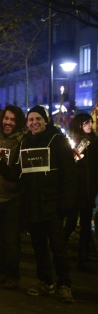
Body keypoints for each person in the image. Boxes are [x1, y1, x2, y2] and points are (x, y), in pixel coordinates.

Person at [0, 105, 76, 303]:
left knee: (58, 247)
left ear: (46, 121)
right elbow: (16, 173)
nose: (34, 122)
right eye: (31, 120)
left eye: (38, 119)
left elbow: (69, 175)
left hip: (54, 205)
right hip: (33, 205)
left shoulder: (58, 141)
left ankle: (64, 284)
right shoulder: (25, 142)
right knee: (39, 247)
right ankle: (45, 282)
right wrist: (0, 162)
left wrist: (66, 203)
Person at [0, 106, 25, 289]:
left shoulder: (22, 140)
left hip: (11, 198)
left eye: (12, 119)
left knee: (11, 241)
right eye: (5, 118)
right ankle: (0, 272)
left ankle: (13, 275)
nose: (8, 122)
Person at [63, 113, 98, 273]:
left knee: (85, 227)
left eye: (91, 122)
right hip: (75, 191)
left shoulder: (95, 142)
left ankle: (83, 259)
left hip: (89, 190)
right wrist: (74, 160)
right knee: (70, 223)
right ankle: (59, 249)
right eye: (86, 123)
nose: (90, 125)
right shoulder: (72, 142)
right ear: (79, 124)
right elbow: (66, 166)